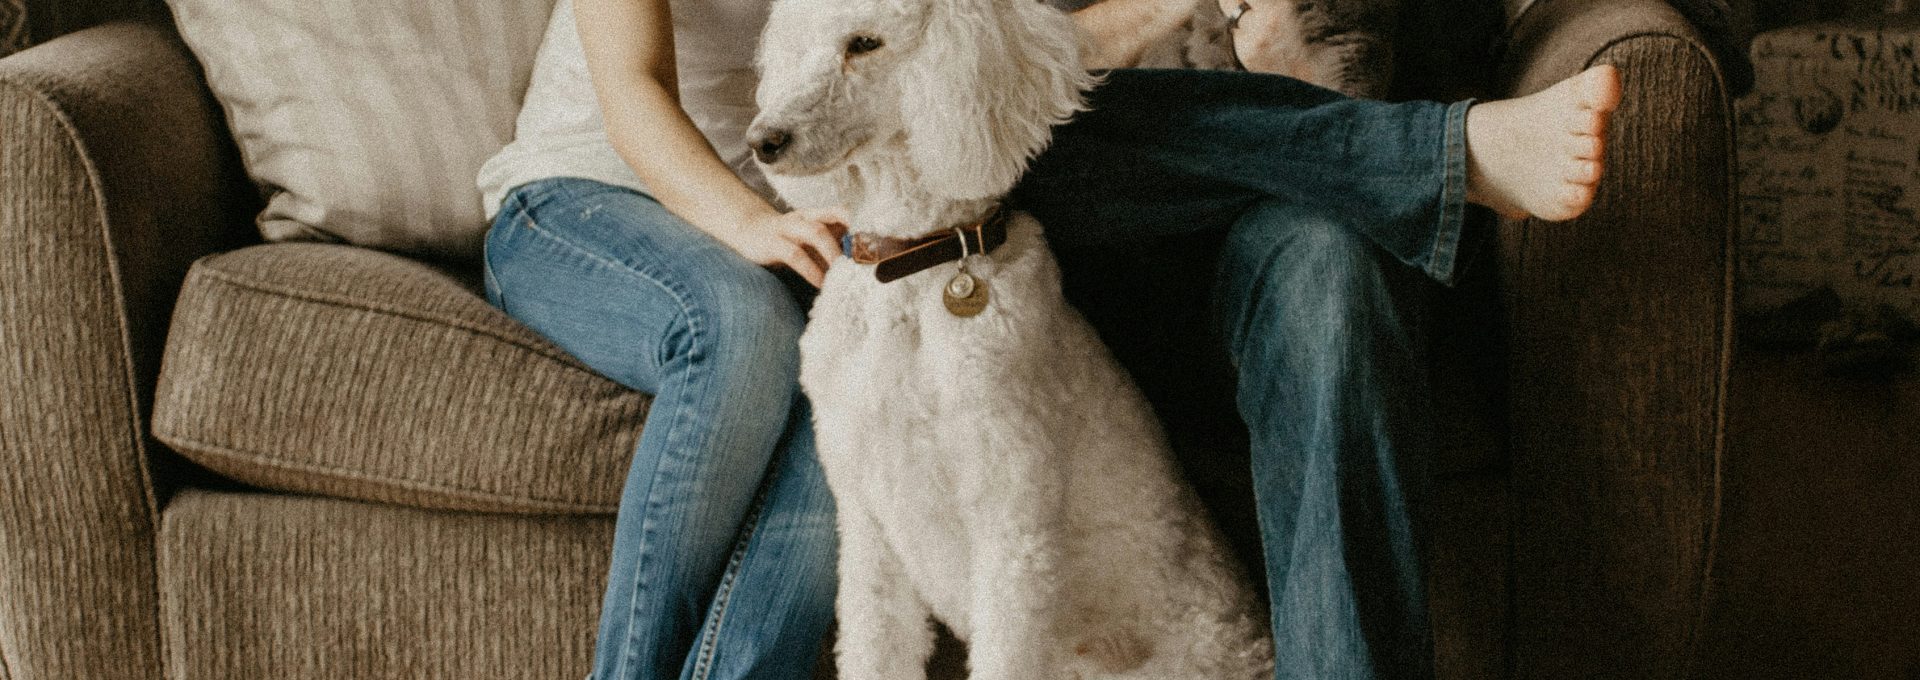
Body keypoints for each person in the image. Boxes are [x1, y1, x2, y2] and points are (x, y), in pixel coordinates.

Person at [474, 0, 1622, 678]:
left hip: (1238, 202)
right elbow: (1002, 72)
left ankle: (1406, 160)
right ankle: (1433, 161)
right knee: (1010, 121)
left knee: (1327, 268)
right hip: (967, 200)